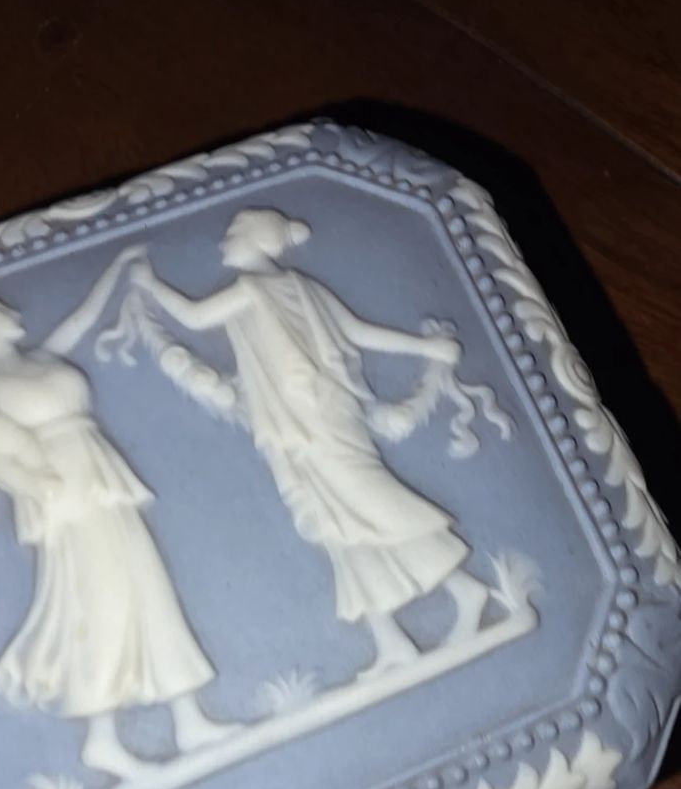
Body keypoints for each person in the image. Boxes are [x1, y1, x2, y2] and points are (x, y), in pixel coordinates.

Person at [131, 208, 490, 671]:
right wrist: (425, 347)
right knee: (331, 520)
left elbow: (196, 317)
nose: (223, 244)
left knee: (366, 500)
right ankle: (391, 640)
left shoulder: (253, 288)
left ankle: (466, 589)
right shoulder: (301, 287)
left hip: (311, 419)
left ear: (258, 240)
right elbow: (360, 332)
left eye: (233, 234)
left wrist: (150, 283)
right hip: (301, 421)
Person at [0, 291, 230, 775]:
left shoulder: (45, 357)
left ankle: (189, 719)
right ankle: (100, 740)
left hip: (100, 479)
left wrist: (118, 273)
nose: (10, 313)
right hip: (66, 495)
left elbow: (82, 317)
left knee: (149, 590)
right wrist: (36, 485)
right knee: (102, 604)